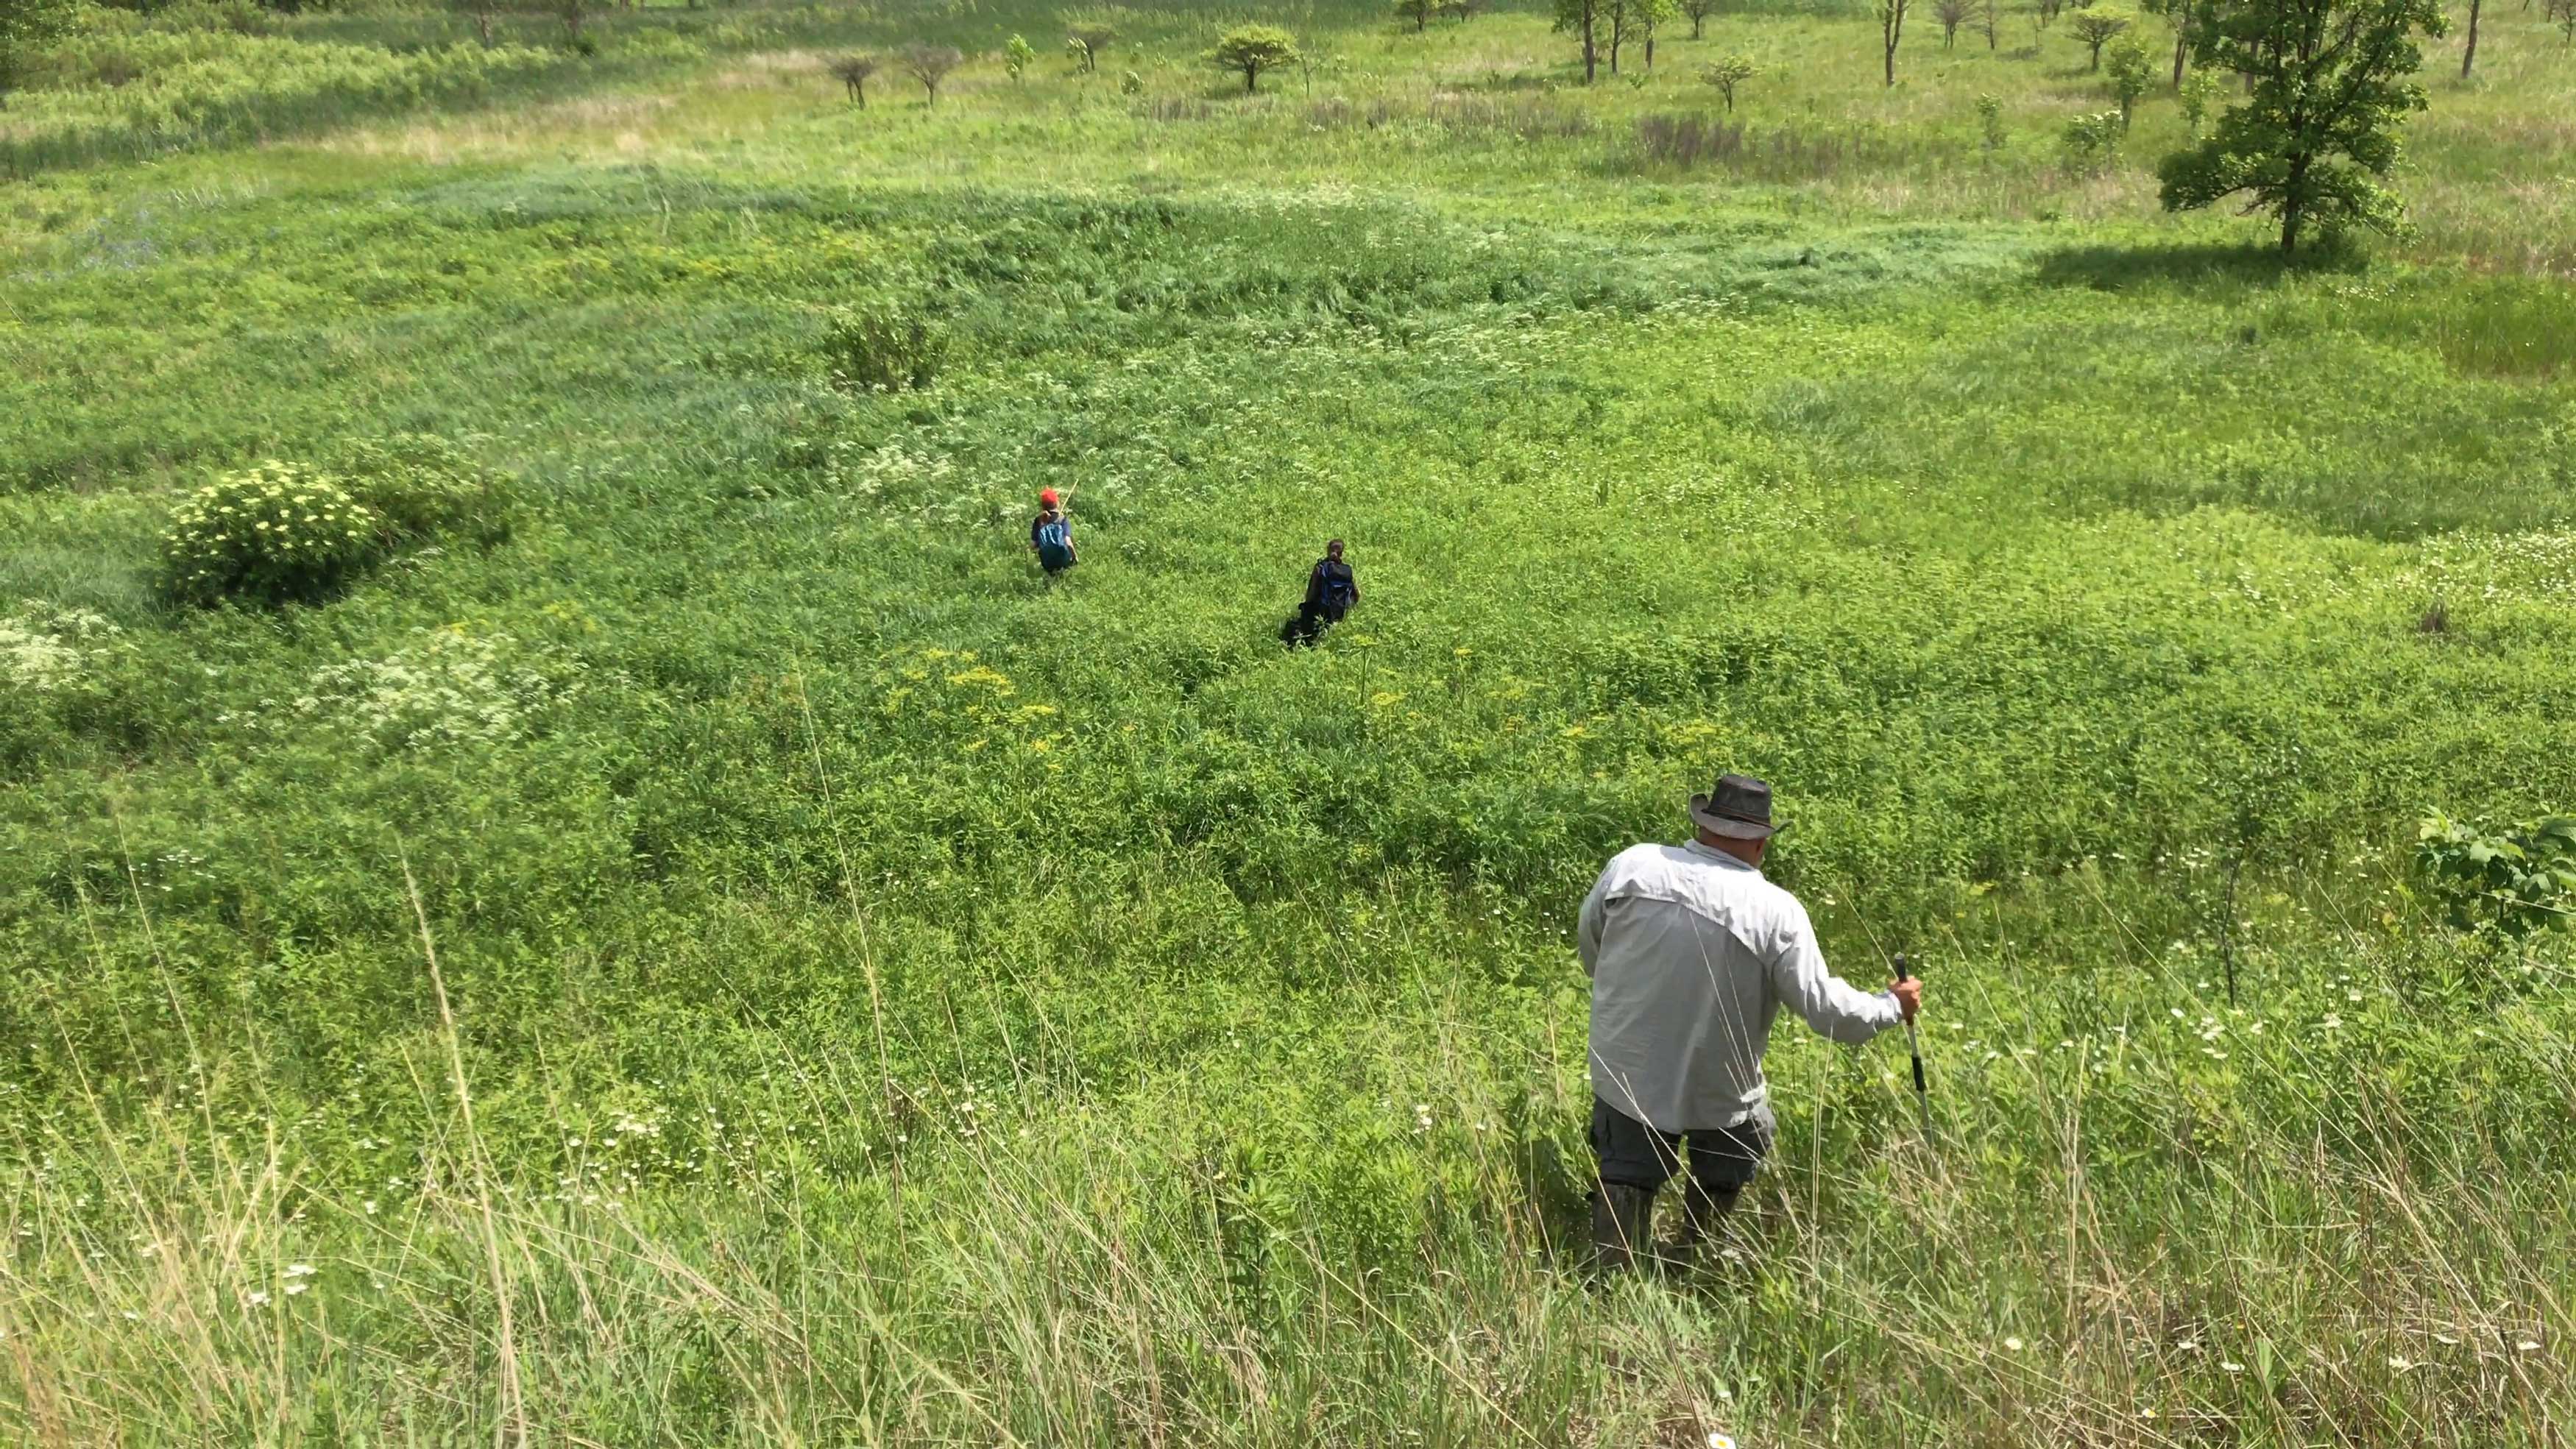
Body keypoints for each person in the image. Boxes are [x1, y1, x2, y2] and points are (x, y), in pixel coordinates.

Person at [1577, 773, 1924, 1271]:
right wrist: (1893, 1005)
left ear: (1701, 824)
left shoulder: (1631, 866)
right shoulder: (1775, 910)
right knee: (1741, 1144)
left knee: (1626, 1170)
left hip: (1626, 1073)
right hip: (1718, 1086)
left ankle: (1616, 1276)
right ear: (1761, 842)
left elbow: (1593, 949)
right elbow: (1828, 1012)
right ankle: (1694, 1259)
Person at [1280, 539, 1359, 647]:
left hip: (1320, 612)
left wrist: (1306, 606)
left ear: (1328, 550)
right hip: (1339, 613)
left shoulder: (1320, 568)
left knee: (1293, 626)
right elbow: (1357, 596)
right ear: (1342, 553)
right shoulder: (1346, 571)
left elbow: (1311, 594)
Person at [1030, 487, 1077, 580]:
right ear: (1057, 503)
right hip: (1063, 560)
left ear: (1042, 506)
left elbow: (1033, 546)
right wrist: (1075, 558)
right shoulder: (1062, 520)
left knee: (1051, 577)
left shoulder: (1038, 521)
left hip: (1046, 562)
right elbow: (1068, 543)